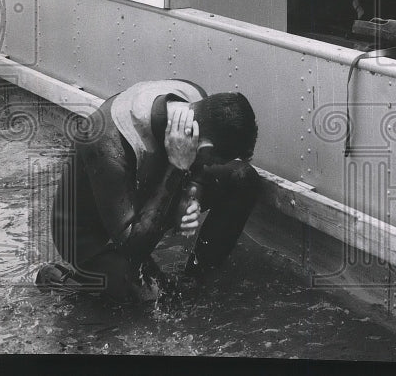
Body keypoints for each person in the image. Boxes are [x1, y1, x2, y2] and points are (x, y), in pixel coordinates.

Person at [36, 80, 260, 303]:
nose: (209, 166)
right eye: (212, 160)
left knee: (243, 178)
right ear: (204, 148)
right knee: (160, 301)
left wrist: (193, 193)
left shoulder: (195, 102)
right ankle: (67, 284)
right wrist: (177, 166)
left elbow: (200, 169)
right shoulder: (106, 141)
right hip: (91, 234)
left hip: (143, 198)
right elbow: (133, 248)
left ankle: (194, 278)